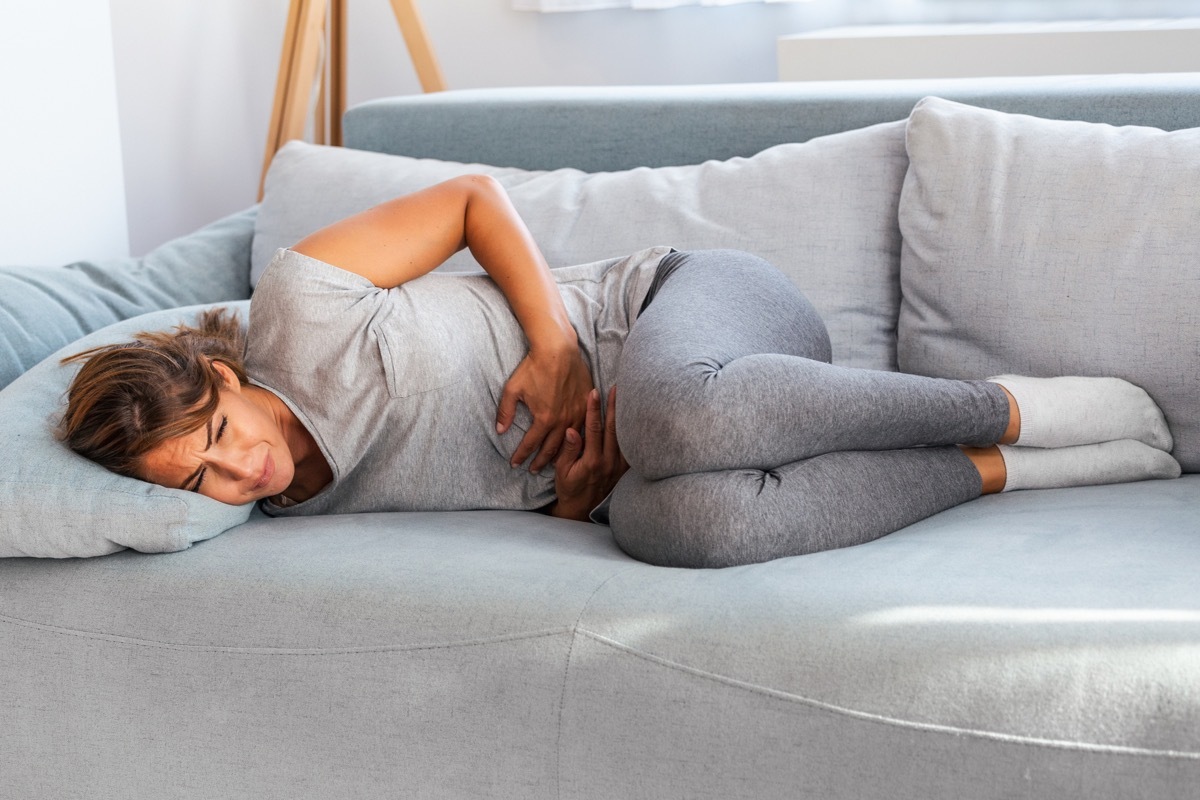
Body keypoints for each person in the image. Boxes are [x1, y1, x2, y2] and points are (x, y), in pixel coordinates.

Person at [59, 175, 1180, 567]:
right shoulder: (296, 510)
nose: (237, 473)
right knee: (675, 526)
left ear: (220, 374)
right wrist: (580, 504)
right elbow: (551, 489)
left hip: (693, 309)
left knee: (675, 412)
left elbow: (468, 200)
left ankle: (1020, 405)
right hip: (697, 432)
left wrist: (554, 344)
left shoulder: (301, 305)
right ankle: (1002, 468)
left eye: (218, 436)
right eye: (196, 482)